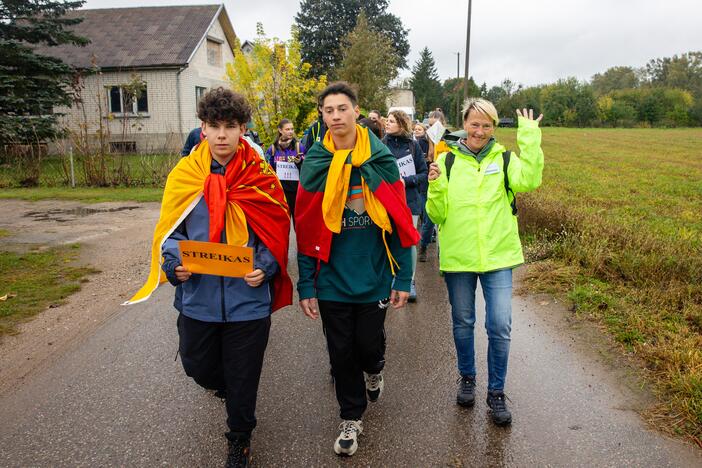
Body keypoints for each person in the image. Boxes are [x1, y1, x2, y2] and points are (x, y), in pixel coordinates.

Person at [125, 87, 293, 467]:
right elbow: (171, 231)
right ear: (202, 128)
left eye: (229, 126)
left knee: (244, 377)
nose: (221, 135)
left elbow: (277, 227)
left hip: (248, 302)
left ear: (242, 129)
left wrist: (266, 267)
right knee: (197, 367)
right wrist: (173, 264)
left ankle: (239, 438)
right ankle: (224, 388)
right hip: (197, 298)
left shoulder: (259, 175)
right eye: (213, 126)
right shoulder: (185, 175)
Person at [295, 82, 418, 456]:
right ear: (322, 115)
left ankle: (376, 367)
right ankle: (351, 416)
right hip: (331, 278)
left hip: (374, 276)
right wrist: (306, 284)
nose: (335, 116)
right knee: (339, 353)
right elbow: (305, 228)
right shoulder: (315, 164)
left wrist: (402, 277)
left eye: (342, 108)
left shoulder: (379, 161)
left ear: (356, 110)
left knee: (367, 347)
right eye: (328, 110)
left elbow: (399, 222)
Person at [426, 98, 544, 427]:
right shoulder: (447, 162)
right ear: (465, 124)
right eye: (474, 124)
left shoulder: (504, 159)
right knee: (463, 323)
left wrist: (530, 136)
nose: (480, 131)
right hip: (459, 257)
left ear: (494, 127)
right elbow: (436, 214)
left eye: (487, 125)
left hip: (498, 256)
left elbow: (530, 180)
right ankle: (467, 378)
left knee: (500, 326)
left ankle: (496, 392)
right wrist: (434, 185)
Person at [383, 110, 427, 302]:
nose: (387, 124)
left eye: (392, 121)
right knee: (386, 241)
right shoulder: (380, 145)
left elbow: (423, 174)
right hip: (386, 201)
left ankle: (409, 281)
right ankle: (389, 279)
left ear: (401, 124)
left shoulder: (414, 146)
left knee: (408, 242)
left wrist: (405, 181)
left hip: (409, 201)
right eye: (387, 120)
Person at [418, 109, 448, 261]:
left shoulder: (450, 138)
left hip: (446, 182)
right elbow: (427, 159)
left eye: (434, 125)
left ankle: (443, 252)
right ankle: (423, 246)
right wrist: (431, 145)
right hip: (429, 183)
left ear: (442, 123)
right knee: (429, 220)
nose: (431, 128)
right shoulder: (424, 139)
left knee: (446, 220)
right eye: (429, 125)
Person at [265, 119, 305, 222]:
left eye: (292, 129)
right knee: (282, 223)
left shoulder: (299, 147)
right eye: (287, 129)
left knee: (299, 223)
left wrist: (299, 162)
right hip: (280, 192)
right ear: (280, 130)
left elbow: (307, 169)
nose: (291, 131)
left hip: (296, 192)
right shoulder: (272, 149)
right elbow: (268, 170)